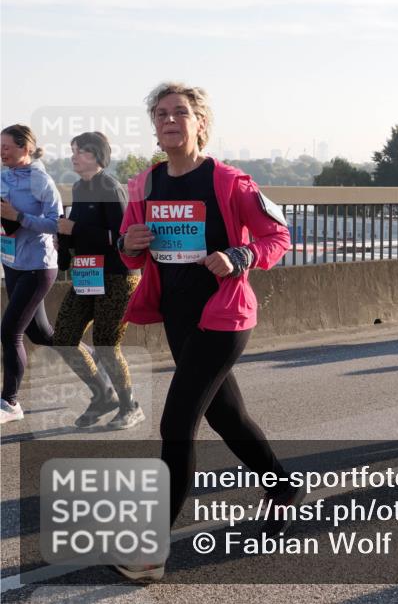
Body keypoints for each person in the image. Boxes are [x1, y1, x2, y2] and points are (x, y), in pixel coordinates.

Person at [113, 83, 295, 581]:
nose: (170, 120)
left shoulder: (229, 182)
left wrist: (240, 256)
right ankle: (282, 486)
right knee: (229, 417)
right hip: (179, 317)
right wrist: (127, 242)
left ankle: (150, 553)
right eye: (161, 113)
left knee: (176, 426)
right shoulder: (143, 186)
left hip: (224, 315)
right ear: (154, 126)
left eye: (181, 112)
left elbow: (277, 235)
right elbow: (130, 251)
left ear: (201, 124)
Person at [52, 132, 144, 429]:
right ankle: (103, 395)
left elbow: (120, 238)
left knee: (106, 344)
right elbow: (72, 230)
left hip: (118, 276)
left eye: (78, 152)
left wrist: (74, 227)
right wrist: (63, 248)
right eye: (72, 151)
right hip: (87, 272)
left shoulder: (110, 187)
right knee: (64, 336)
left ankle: (130, 405)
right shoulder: (80, 187)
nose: (73, 157)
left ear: (94, 155)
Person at [1, 124, 62, 425]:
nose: (2, 152)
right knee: (42, 333)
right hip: (11, 262)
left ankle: (10, 402)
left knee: (10, 331)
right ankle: (95, 361)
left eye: (7, 146)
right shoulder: (3, 177)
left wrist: (20, 217)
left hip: (38, 267)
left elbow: (56, 223)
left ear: (25, 148)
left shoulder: (41, 179)